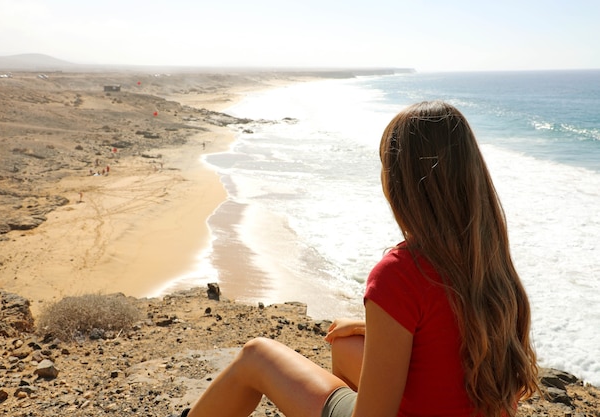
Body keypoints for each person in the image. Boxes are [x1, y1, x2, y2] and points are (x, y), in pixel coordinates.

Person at [181, 101, 539, 417]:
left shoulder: (400, 274)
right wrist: (373, 328)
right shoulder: (491, 263)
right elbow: (448, 325)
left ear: (400, 183)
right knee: (345, 341)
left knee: (256, 355)